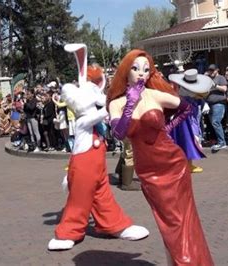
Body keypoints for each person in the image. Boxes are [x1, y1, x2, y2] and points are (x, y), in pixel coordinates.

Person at [107, 49, 214, 265]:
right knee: (168, 221)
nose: (141, 74)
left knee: (182, 219)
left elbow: (185, 109)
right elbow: (119, 133)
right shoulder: (116, 103)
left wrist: (168, 126)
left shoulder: (155, 95)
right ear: (126, 71)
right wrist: (130, 104)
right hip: (148, 170)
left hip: (173, 164)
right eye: (136, 69)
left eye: (146, 70)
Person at [48, 43, 149, 251]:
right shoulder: (84, 120)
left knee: (103, 196)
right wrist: (116, 103)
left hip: (97, 167)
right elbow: (102, 113)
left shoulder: (95, 117)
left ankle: (115, 225)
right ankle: (69, 231)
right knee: (79, 199)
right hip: (84, 165)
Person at [168, 68, 212, 172]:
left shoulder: (194, 96)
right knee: (188, 140)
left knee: (191, 140)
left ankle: (188, 164)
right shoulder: (183, 93)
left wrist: (203, 104)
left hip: (193, 119)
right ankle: (185, 164)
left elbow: (202, 95)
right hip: (185, 121)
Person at [205, 64, 228, 151]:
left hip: (219, 103)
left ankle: (222, 143)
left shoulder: (221, 78)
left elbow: (224, 89)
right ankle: (219, 141)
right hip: (210, 104)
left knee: (216, 122)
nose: (211, 72)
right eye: (210, 70)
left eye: (213, 70)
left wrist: (215, 85)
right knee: (213, 124)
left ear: (217, 70)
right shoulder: (209, 79)